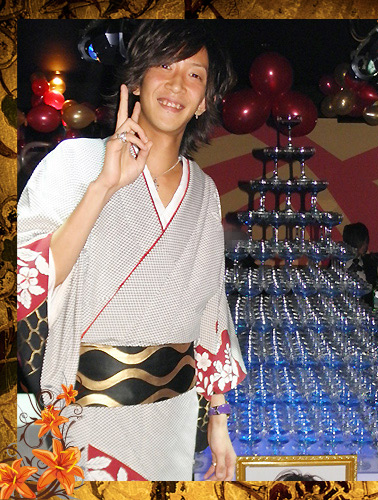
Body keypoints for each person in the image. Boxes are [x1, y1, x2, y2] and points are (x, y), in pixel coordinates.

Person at [17, 20, 246, 481]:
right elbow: (30, 275)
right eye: (165, 65)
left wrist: (219, 417)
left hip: (171, 420)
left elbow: (210, 306)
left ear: (204, 101)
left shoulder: (203, 190)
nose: (178, 84)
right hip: (77, 418)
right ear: (137, 81)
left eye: (195, 75)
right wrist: (103, 186)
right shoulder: (73, 162)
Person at [342, 222, 378, 306]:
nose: (366, 246)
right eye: (365, 242)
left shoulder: (370, 265)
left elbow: (374, 292)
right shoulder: (337, 263)